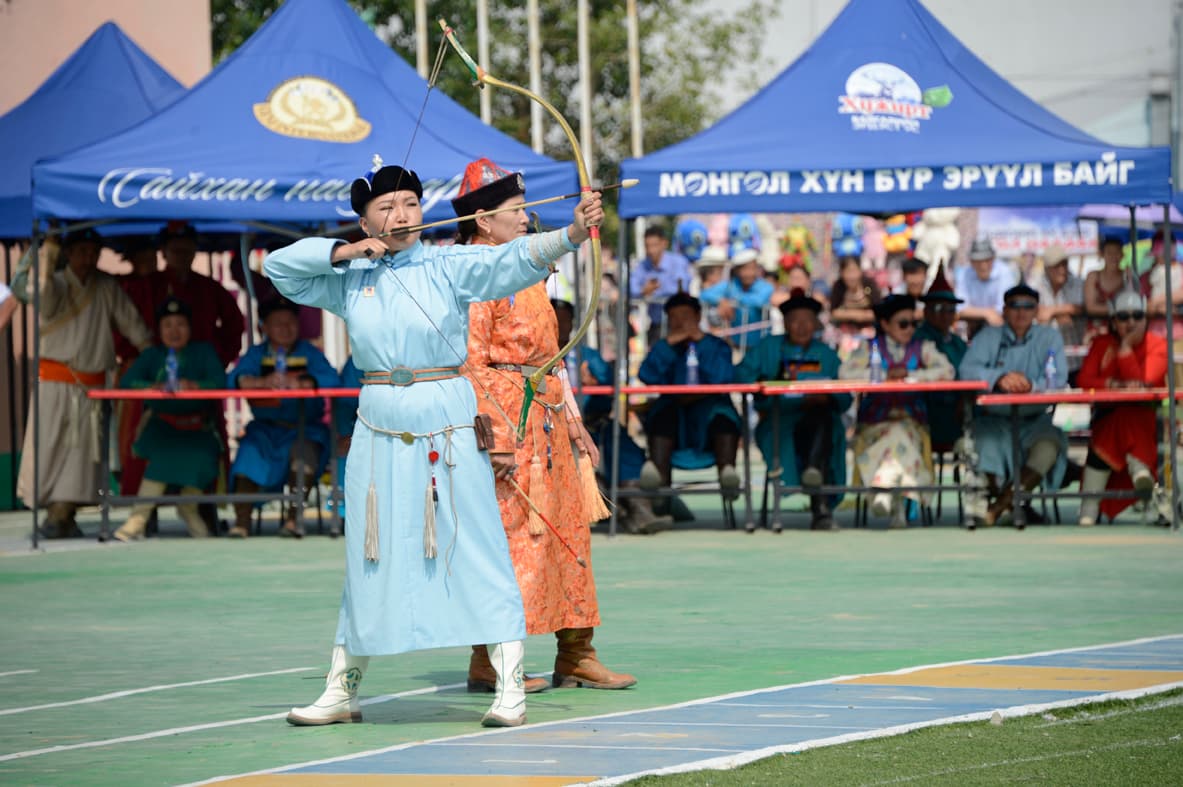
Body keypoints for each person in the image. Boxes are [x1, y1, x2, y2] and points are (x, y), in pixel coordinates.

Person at [264, 158, 603, 729]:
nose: (401, 216)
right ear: (367, 222)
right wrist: (346, 253)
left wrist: (571, 233)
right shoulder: (350, 278)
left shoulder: (448, 262)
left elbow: (511, 260)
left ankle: (510, 685)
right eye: (386, 208)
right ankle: (340, 690)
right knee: (367, 553)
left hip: (444, 420)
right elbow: (280, 269)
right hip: (377, 423)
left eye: (411, 205)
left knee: (476, 545)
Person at [454, 158, 635, 695]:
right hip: (510, 424)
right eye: (517, 211)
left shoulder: (523, 267)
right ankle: (488, 660)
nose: (528, 218)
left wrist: (574, 420)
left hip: (549, 422)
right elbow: (472, 362)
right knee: (510, 542)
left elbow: (553, 356)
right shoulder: (473, 272)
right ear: (484, 221)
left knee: (569, 536)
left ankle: (576, 653)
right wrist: (499, 439)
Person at [15, 228, 152, 537]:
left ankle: (63, 513)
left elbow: (131, 323)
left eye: (93, 252)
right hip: (54, 383)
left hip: (91, 386)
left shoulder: (105, 285)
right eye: (82, 252)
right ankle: (55, 511)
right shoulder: (54, 283)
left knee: (81, 455)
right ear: (69, 253)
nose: (88, 259)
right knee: (49, 447)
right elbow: (44, 302)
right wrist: (48, 249)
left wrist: (150, 352)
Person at [554, 299, 671, 535]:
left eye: (565, 320)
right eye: (555, 319)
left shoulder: (586, 355)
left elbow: (608, 393)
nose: (560, 325)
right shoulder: (533, 355)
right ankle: (619, 507)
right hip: (552, 426)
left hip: (593, 426)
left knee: (620, 445)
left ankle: (639, 508)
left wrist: (593, 384)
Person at [113, 297, 226, 541]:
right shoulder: (152, 356)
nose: (174, 331)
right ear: (159, 330)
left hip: (198, 428)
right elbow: (127, 383)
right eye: (168, 325)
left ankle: (188, 508)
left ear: (190, 328)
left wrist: (195, 386)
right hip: (162, 427)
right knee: (163, 455)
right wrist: (153, 387)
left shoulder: (203, 351)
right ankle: (138, 518)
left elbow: (220, 382)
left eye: (181, 324)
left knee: (203, 455)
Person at [226, 296, 340, 539]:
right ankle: (241, 521)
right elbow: (234, 379)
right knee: (248, 455)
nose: (285, 328)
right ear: (263, 327)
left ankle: (293, 518)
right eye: (277, 323)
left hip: (305, 429)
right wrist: (256, 382)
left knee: (305, 457)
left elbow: (332, 379)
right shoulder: (256, 354)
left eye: (290, 322)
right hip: (265, 430)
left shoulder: (310, 353)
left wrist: (304, 382)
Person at [736, 289, 849, 530]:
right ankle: (819, 504)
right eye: (795, 320)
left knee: (823, 422)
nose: (801, 326)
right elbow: (742, 376)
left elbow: (845, 394)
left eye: (807, 320)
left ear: (816, 324)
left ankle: (816, 487)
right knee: (800, 434)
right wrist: (767, 386)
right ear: (785, 323)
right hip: (779, 419)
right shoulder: (768, 347)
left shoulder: (826, 354)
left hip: (819, 419)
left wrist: (826, 397)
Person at [840, 294, 954, 528]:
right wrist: (882, 378)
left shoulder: (923, 348)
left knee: (900, 433)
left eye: (914, 324)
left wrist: (911, 377)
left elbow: (947, 371)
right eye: (903, 323)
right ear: (884, 324)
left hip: (912, 423)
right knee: (895, 435)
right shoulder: (868, 348)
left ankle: (884, 487)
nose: (910, 329)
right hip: (875, 424)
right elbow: (845, 374)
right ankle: (898, 506)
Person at [960, 284, 1068, 528]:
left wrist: (1031, 384)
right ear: (1005, 310)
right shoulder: (988, 336)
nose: (1021, 313)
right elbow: (966, 371)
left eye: (1028, 307)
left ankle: (997, 508)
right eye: (1015, 306)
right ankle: (1014, 504)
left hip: (1036, 420)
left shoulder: (1049, 337)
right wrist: (998, 378)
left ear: (1036, 310)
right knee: (984, 444)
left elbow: (1059, 379)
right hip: (995, 420)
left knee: (1048, 446)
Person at [638, 292, 742, 504]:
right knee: (660, 419)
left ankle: (728, 473)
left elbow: (725, 377)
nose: (680, 322)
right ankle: (659, 491)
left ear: (697, 316)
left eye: (685, 315)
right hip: (674, 409)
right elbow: (646, 375)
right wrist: (668, 345)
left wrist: (700, 342)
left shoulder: (716, 345)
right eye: (674, 317)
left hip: (709, 409)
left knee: (725, 419)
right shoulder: (663, 346)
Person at [1075, 290, 1167, 525]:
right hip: (1109, 414)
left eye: (1137, 316)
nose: (1131, 322)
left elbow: (1142, 383)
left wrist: (1125, 349)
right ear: (1114, 321)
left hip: (1144, 415)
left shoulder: (1157, 345)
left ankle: (1090, 506)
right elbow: (1084, 380)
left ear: (1146, 318)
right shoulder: (1101, 343)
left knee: (1123, 421)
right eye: (1124, 317)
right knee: (1116, 424)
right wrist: (1111, 384)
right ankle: (1139, 469)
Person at [914, 263, 968, 450]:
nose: (945, 315)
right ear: (926, 311)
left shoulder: (958, 343)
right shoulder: (918, 340)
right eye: (938, 308)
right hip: (925, 409)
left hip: (957, 408)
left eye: (950, 309)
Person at [699, 247, 774, 347]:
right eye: (744, 269)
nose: (748, 273)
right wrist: (720, 300)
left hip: (760, 346)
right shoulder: (731, 285)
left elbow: (759, 301)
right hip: (735, 346)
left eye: (752, 268)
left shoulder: (765, 287)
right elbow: (704, 295)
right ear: (737, 271)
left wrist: (733, 301)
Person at [631, 226, 692, 345]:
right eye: (647, 246)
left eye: (654, 245)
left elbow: (682, 288)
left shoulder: (678, 262)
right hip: (656, 326)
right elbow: (630, 289)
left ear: (664, 243)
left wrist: (654, 292)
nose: (650, 250)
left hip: (679, 324)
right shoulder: (643, 266)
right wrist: (643, 291)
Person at [1035, 244, 1084, 383]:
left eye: (1064, 264)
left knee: (1081, 400)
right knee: (1046, 401)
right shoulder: (1037, 284)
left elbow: (1079, 308)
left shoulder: (1077, 283)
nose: (1062, 270)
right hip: (1046, 359)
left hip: (1076, 358)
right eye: (1057, 266)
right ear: (1047, 268)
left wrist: (1051, 311)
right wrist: (1064, 310)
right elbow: (1037, 313)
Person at [955, 238, 1014, 338]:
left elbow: (1003, 309)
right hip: (974, 324)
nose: (983, 265)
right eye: (978, 261)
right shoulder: (965, 274)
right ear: (971, 261)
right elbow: (959, 308)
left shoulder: (1004, 272)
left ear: (993, 258)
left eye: (987, 260)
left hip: (1000, 325)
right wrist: (986, 314)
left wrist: (979, 313)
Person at [828, 255, 880, 357]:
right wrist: (859, 315)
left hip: (868, 331)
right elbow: (834, 312)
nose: (851, 276)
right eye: (848, 272)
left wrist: (857, 315)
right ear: (842, 273)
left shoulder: (869, 284)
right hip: (845, 333)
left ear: (860, 271)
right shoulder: (838, 286)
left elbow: (879, 310)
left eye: (854, 271)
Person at [1084, 235, 1126, 321]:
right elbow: (1090, 307)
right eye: (1109, 252)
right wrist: (1118, 310)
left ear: (1122, 255)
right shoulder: (1093, 276)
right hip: (1097, 328)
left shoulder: (1127, 276)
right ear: (1102, 255)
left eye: (1117, 252)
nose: (1113, 256)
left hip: (1122, 327)